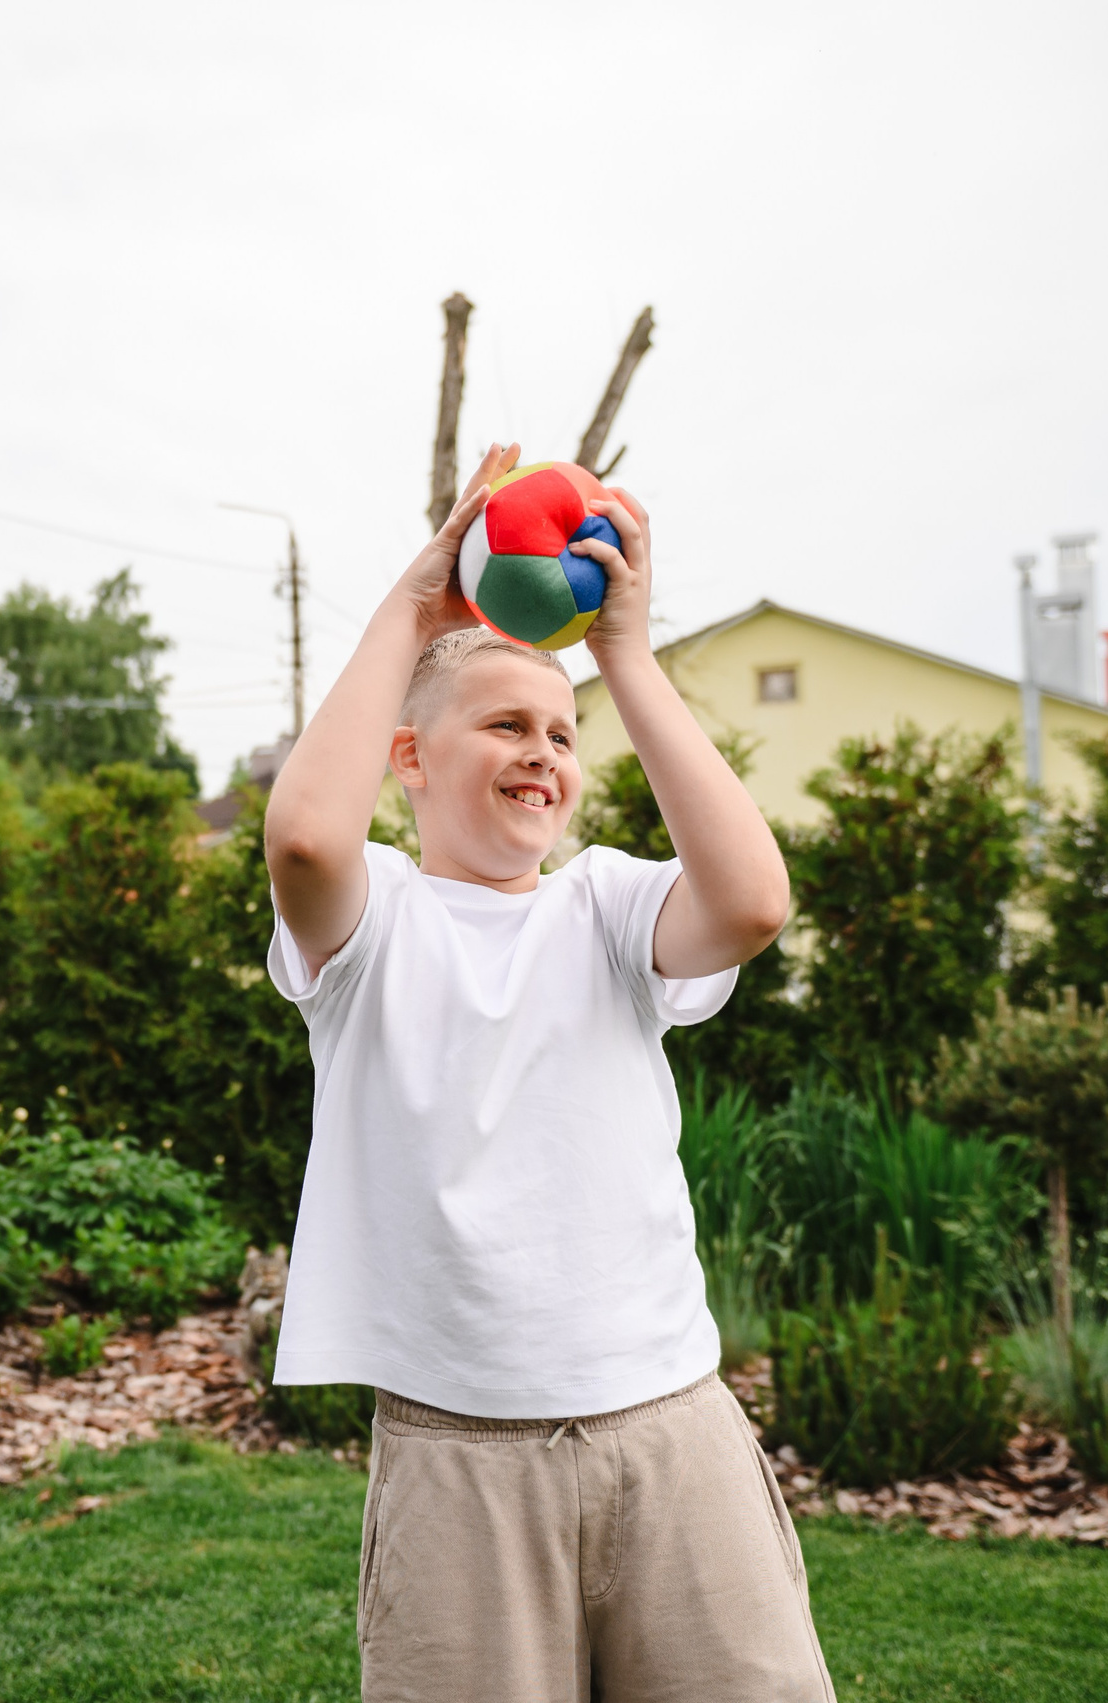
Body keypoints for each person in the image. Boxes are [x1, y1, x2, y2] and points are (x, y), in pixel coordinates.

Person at [261, 444, 835, 1702]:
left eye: (564, 734)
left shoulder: (609, 908)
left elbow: (747, 902)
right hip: (459, 1456)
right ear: (407, 758)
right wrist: (413, 611)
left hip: (669, 1428)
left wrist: (624, 655)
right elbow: (306, 833)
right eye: (506, 725)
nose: (544, 753)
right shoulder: (377, 930)